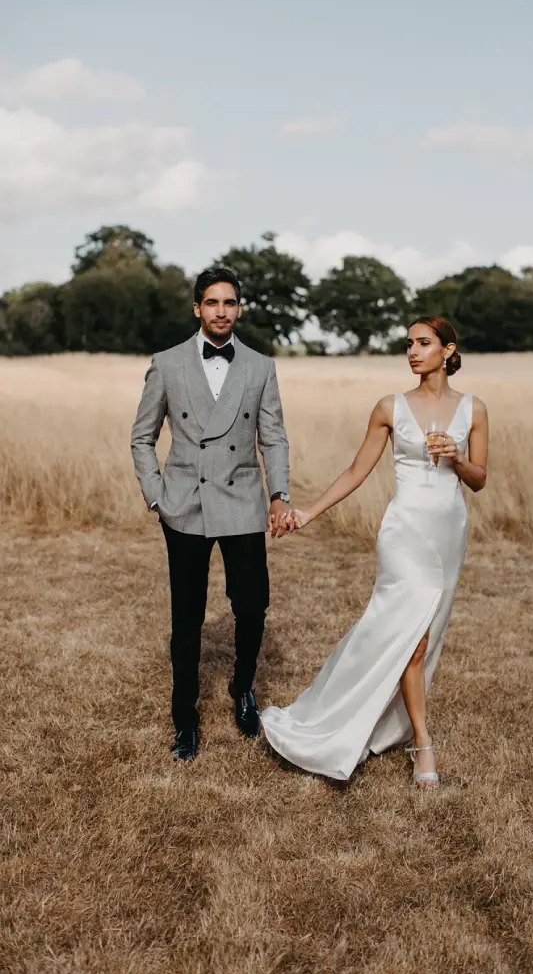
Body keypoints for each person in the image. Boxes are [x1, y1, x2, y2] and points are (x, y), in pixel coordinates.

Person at [262, 316, 488, 787]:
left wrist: (457, 458)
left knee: (426, 636)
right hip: (404, 532)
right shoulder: (390, 407)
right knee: (411, 636)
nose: (412, 352)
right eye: (409, 344)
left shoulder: (474, 409)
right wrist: (308, 513)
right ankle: (422, 743)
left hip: (448, 532)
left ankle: (390, 722)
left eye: (423, 343)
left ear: (448, 351)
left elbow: (480, 479)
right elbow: (355, 471)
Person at [130, 266, 294, 761]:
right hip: (185, 505)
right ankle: (185, 718)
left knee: (252, 607)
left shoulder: (260, 366)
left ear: (239, 308)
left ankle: (242, 688)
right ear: (197, 308)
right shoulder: (167, 363)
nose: (221, 312)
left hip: (244, 501)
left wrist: (279, 493)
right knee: (187, 617)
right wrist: (157, 496)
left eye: (230, 303)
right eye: (212, 303)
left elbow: (273, 437)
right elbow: (142, 437)